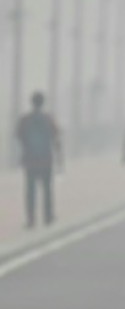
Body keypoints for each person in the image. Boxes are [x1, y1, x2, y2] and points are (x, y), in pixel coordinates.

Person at [16, 91, 61, 228]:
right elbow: (56, 138)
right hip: (46, 159)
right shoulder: (48, 119)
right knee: (47, 189)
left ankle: (31, 219)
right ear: (43, 102)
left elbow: (19, 136)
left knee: (30, 190)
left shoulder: (25, 119)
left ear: (32, 102)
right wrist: (59, 158)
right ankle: (48, 216)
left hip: (30, 160)